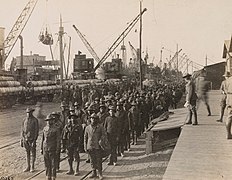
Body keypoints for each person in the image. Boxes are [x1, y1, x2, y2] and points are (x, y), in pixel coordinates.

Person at [84, 113, 106, 179]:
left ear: (97, 120)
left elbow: (104, 135)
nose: (93, 120)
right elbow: (85, 138)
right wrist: (85, 147)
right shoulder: (87, 128)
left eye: (95, 119)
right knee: (92, 160)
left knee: (99, 160)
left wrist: (101, 140)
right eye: (92, 118)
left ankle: (100, 173)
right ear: (90, 119)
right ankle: (94, 172)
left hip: (98, 146)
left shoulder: (100, 127)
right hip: (90, 146)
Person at [41, 114, 59, 180]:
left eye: (50, 120)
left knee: (53, 164)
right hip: (45, 147)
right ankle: (48, 176)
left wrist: (57, 149)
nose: (48, 122)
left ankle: (53, 176)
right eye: (47, 120)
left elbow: (58, 140)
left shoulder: (56, 129)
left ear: (53, 121)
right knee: (47, 163)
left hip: (53, 148)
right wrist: (41, 148)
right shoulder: (44, 129)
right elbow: (43, 139)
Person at [20, 107, 39, 172]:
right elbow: (22, 130)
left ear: (32, 113)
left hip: (32, 139)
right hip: (25, 139)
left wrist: (34, 140)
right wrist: (21, 140)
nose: (28, 114)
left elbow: (36, 131)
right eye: (27, 113)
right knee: (27, 153)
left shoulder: (35, 120)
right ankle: (28, 166)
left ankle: (32, 167)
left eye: (29, 112)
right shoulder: (24, 120)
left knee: (33, 153)